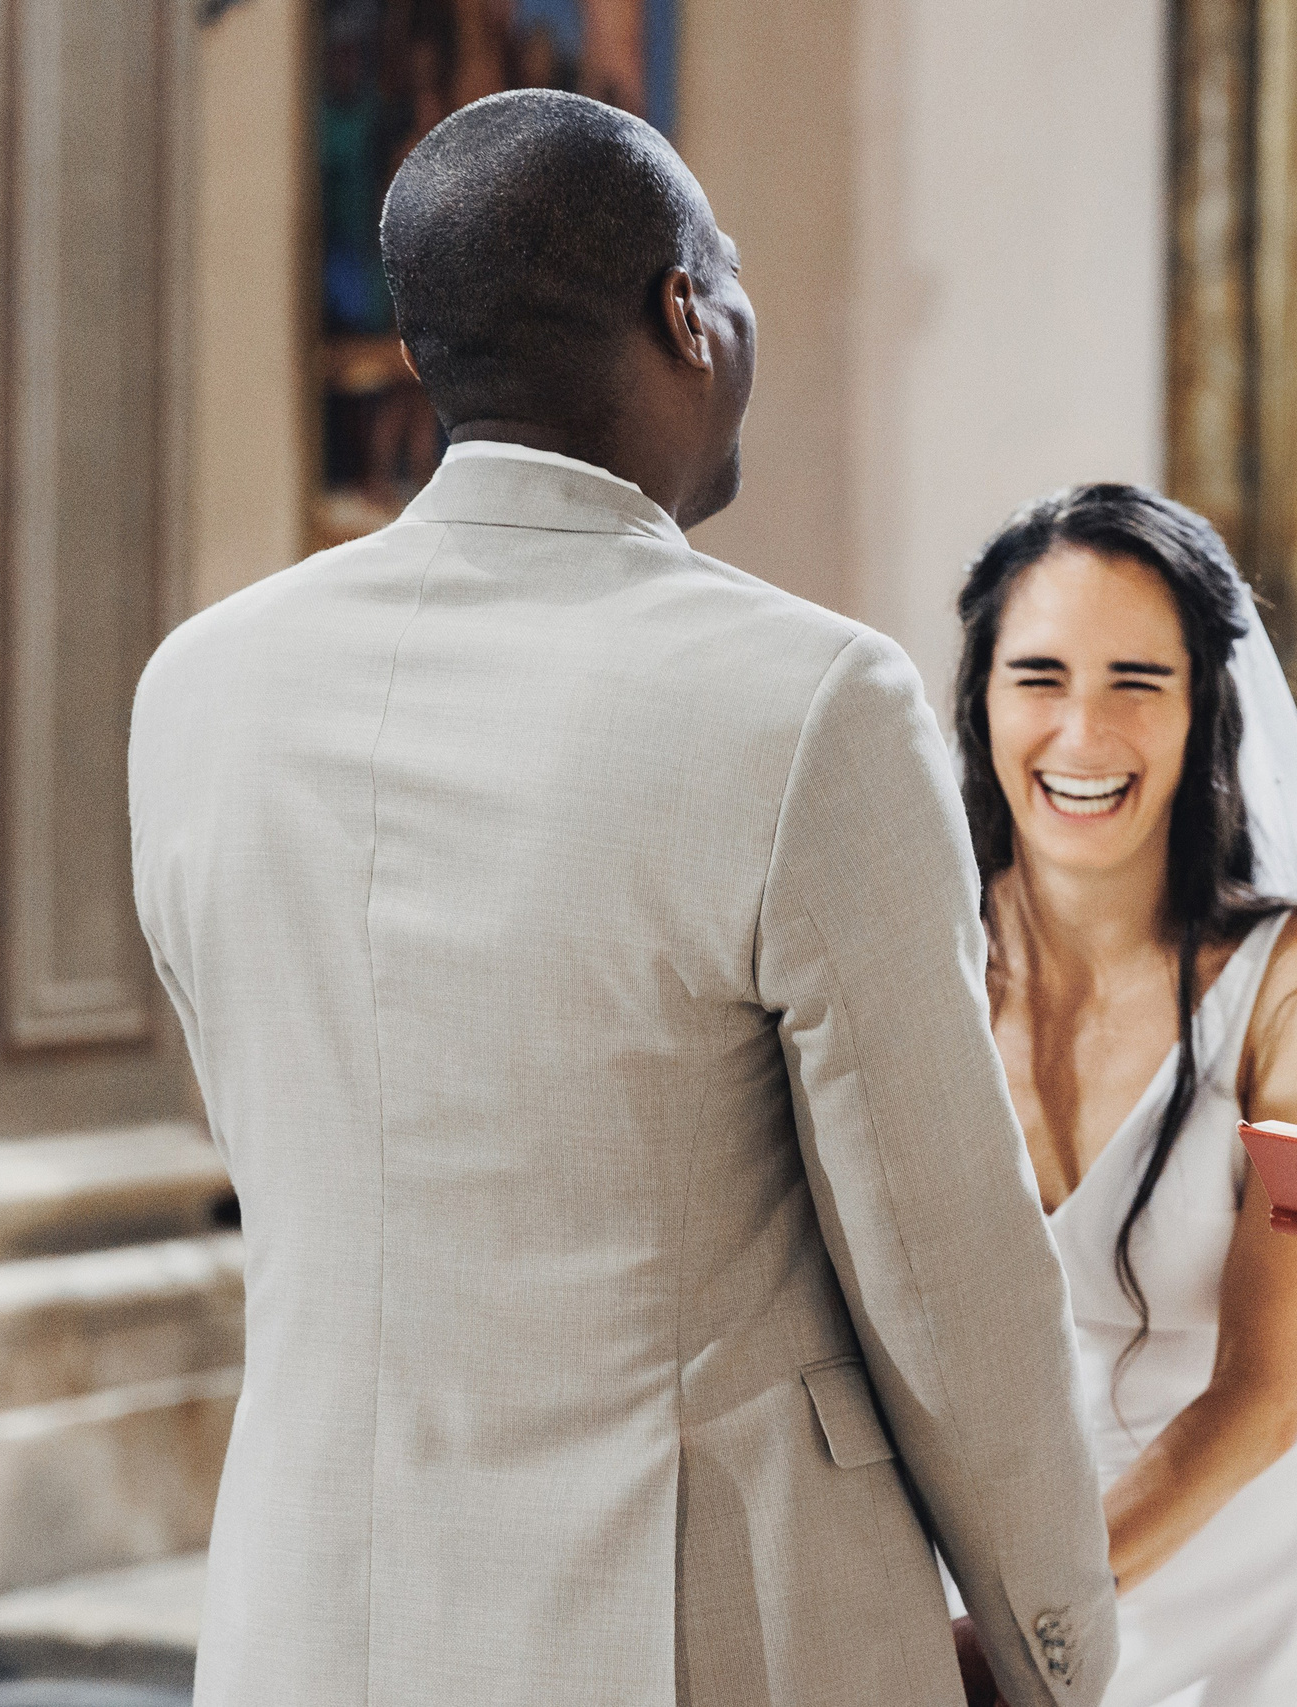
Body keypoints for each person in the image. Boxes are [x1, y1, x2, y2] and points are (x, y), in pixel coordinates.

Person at [129, 91, 1115, 1707]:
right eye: (730, 272)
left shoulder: (198, 689)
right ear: (685, 313)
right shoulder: (807, 702)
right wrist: (1051, 1641)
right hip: (693, 1631)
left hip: (310, 1621)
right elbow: (947, 1270)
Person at [949, 486, 1297, 1707]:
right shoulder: (917, 963)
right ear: (980, 699)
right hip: (981, 1570)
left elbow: (1263, 1394)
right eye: (1039, 678)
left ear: (1204, 709)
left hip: (1229, 1597)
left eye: (1136, 683)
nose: (1082, 732)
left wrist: (1018, 1630)